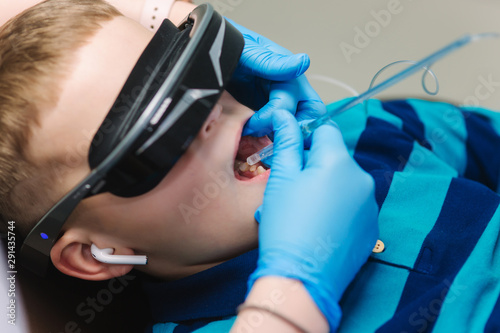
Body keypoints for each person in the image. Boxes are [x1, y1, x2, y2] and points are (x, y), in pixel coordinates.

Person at [0, 1, 378, 332]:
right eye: (157, 131)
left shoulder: (381, 129)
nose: (212, 109)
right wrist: (294, 293)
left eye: (194, 65)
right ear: (97, 252)